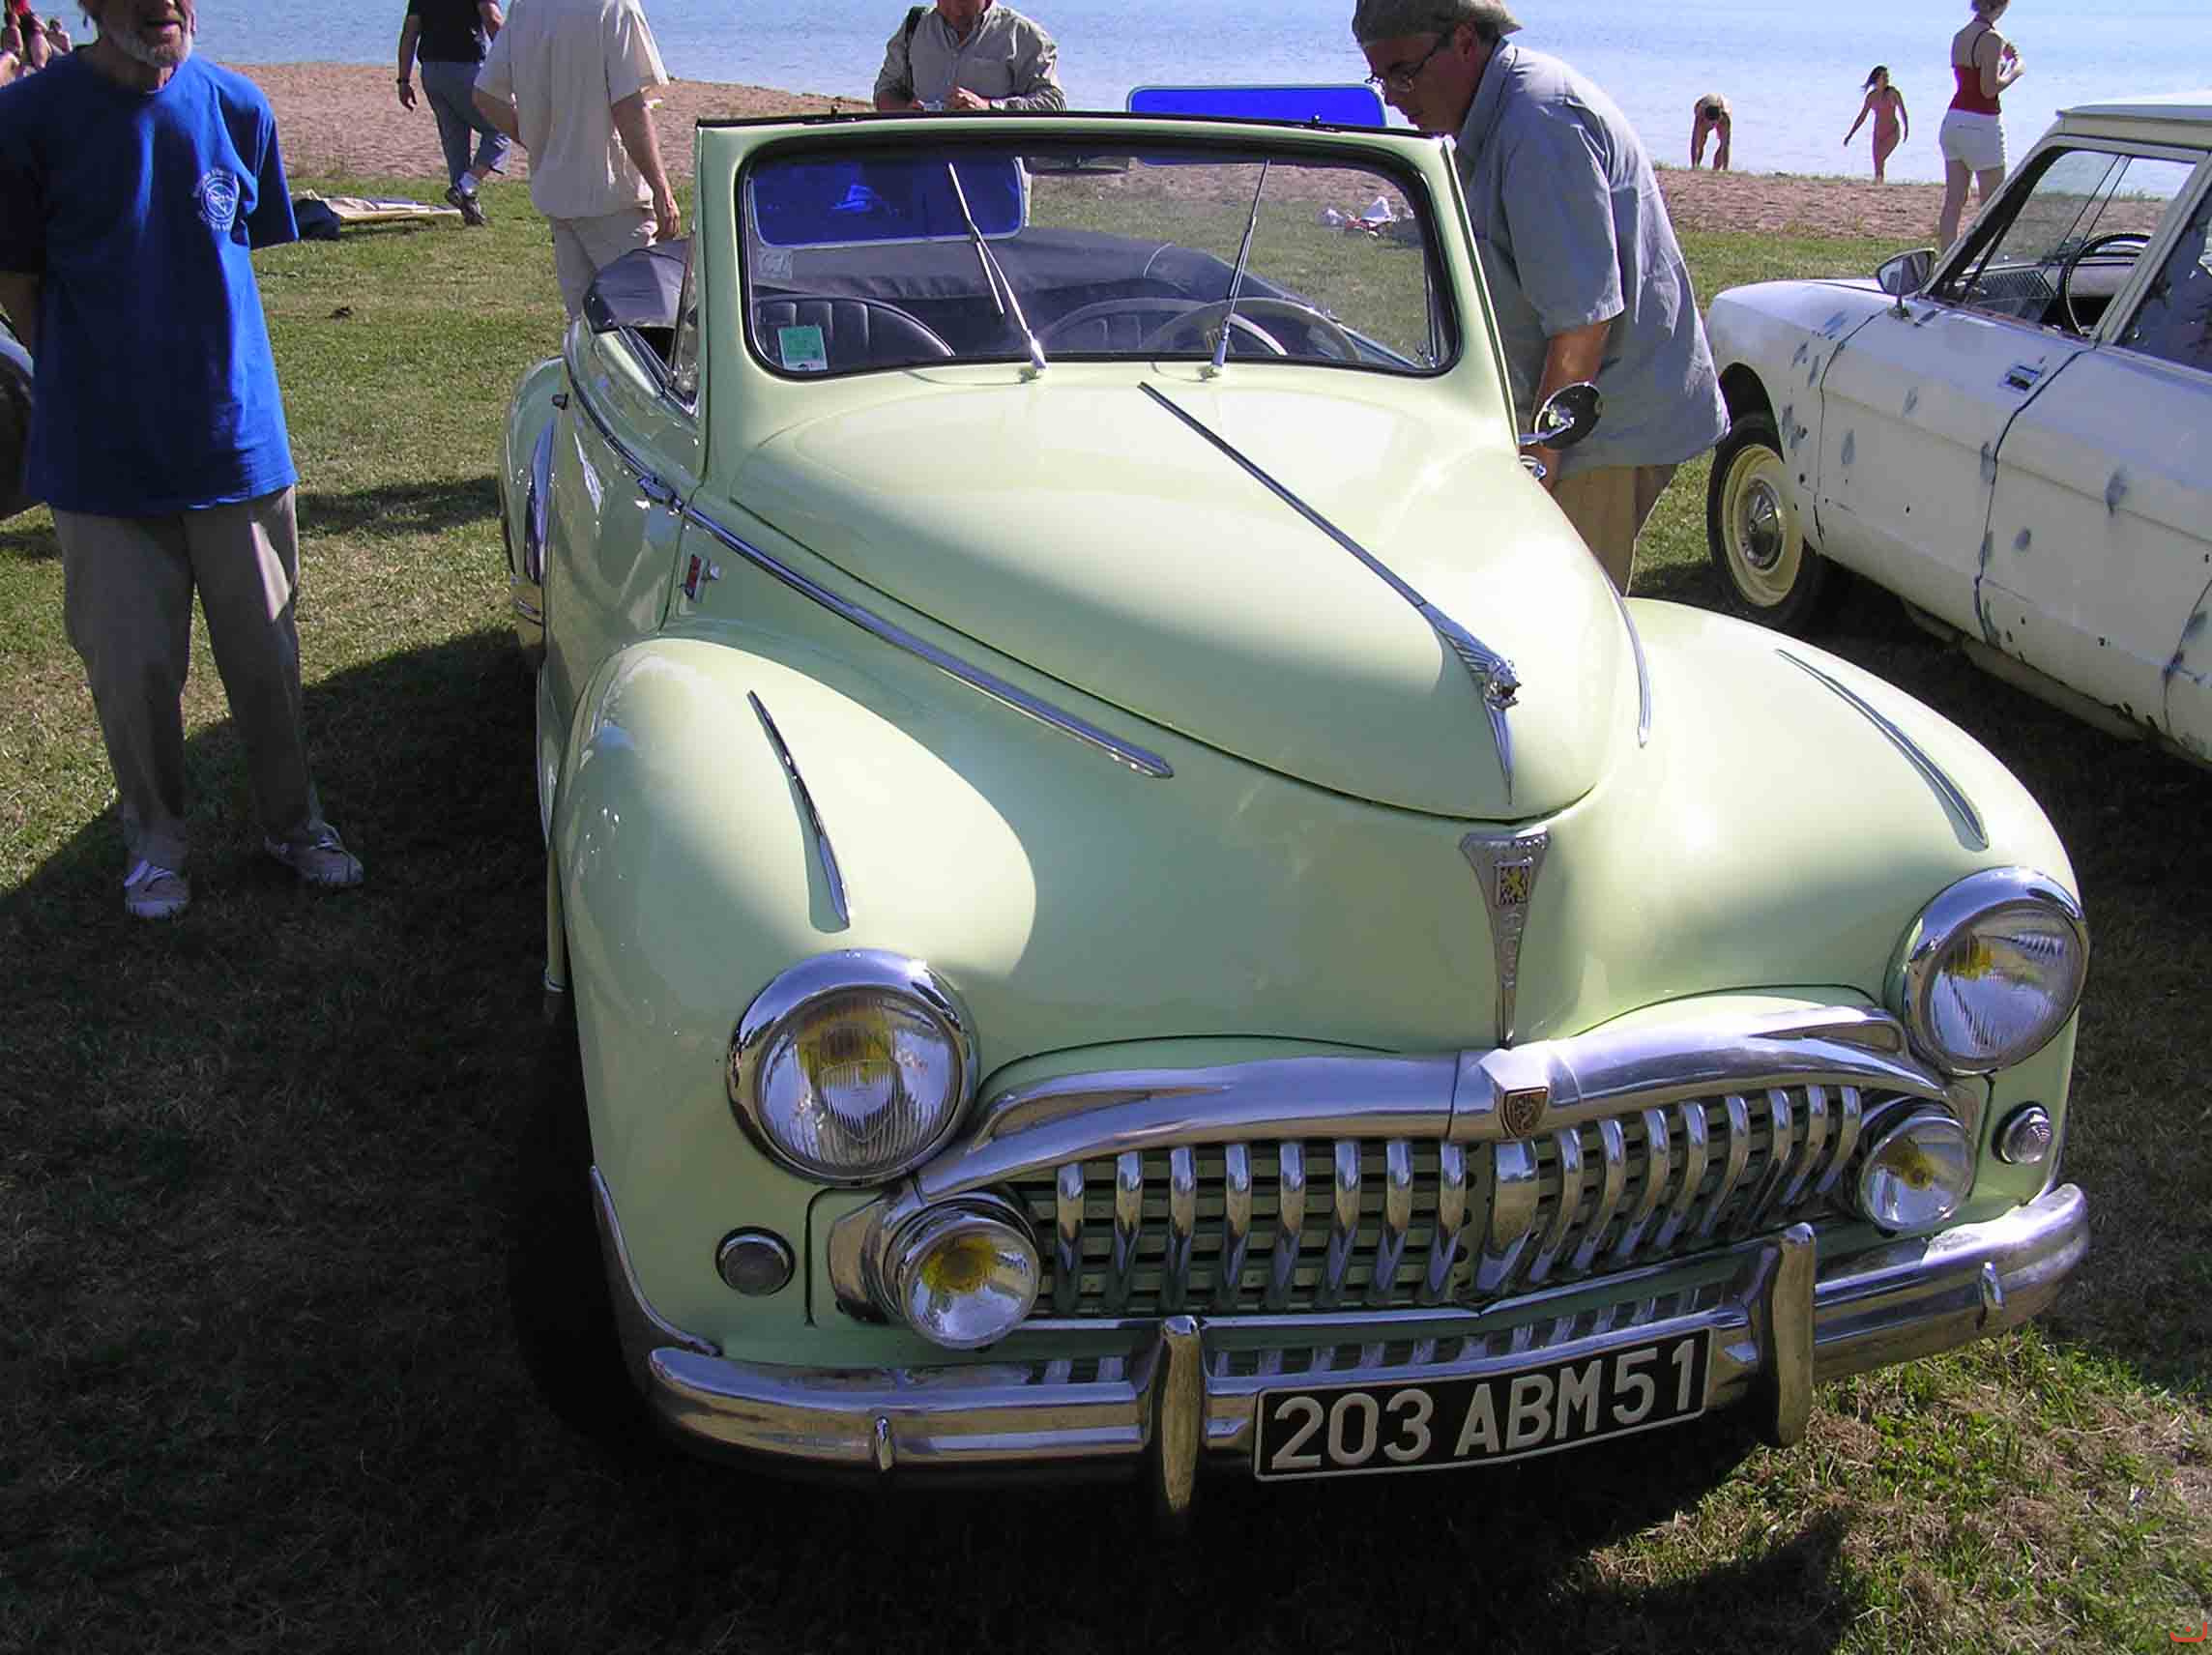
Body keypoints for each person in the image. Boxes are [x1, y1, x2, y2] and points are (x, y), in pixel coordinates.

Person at [0, 0, 365, 921]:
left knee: (267, 656)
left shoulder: (239, 106)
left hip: (235, 440)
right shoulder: (26, 118)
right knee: (132, 672)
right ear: (88, 4)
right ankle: (156, 846)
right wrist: (90, 379)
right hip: (100, 457)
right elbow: (18, 287)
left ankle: (295, 825)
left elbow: (233, 251)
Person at [1352, 0, 1727, 595]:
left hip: (1602, 425)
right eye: (1381, 79)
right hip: (1562, 409)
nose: (1395, 98)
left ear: (1465, 41)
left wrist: (1537, 469)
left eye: (1404, 72)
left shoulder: (1539, 126)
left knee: (1559, 607)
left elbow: (1583, 322)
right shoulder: (1486, 116)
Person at [474, 0, 682, 319]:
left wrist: (540, 140)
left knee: (584, 326)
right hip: (613, 200)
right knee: (646, 324)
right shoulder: (614, 6)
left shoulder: (526, 7)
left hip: (558, 197)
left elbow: (486, 95)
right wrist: (661, 189)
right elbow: (628, 108)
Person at [396, 0, 509, 227]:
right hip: (465, 67)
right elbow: (492, 19)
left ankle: (469, 208)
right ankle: (466, 186)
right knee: (501, 128)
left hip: (431, 71)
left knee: (455, 139)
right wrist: (511, 61)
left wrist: (404, 79)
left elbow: (410, 33)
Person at [874, 0, 1063, 113]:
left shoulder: (1022, 36)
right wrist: (905, 111)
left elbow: (1053, 103)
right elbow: (885, 90)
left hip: (995, 164)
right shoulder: (914, 27)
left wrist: (989, 108)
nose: (955, 9)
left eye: (964, 1)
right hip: (924, 163)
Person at [1936, 0, 2023, 247]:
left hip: (1954, 120)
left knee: (1954, 201)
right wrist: (2015, 69)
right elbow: (1988, 89)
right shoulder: (1993, 38)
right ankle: (1984, 261)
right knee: (1992, 203)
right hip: (1981, 122)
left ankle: (1947, 260)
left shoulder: (1960, 36)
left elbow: (1970, 79)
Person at [1845, 66, 1909, 183]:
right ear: (1876, 79)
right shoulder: (1871, 96)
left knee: (1880, 159)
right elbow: (1862, 117)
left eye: (1887, 77)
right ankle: (1879, 186)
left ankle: (1879, 183)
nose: (1886, 80)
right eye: (1884, 77)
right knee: (1878, 164)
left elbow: (1902, 111)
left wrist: (1906, 128)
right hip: (1878, 135)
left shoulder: (1893, 93)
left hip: (1892, 133)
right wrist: (1850, 134)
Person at [1690, 92, 1730, 170]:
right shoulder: (1700, 115)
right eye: (1709, 123)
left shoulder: (1725, 118)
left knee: (1723, 143)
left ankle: (1716, 169)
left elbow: (1726, 145)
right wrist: (1693, 166)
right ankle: (1696, 166)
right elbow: (1694, 142)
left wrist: (1725, 169)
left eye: (1714, 123)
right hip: (1703, 105)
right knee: (1701, 141)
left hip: (1723, 107)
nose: (1711, 125)